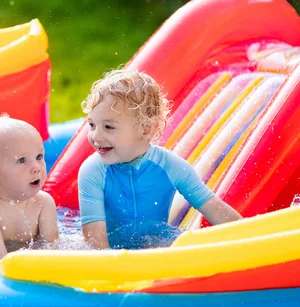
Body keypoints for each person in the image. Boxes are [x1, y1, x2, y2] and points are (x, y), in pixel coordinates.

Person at [78, 69, 242, 250]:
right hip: (111, 256)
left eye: (108, 127)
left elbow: (215, 209)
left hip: (154, 250)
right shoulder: (93, 171)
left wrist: (249, 239)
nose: (96, 136)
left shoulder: (171, 166)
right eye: (92, 125)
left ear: (147, 129)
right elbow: (95, 241)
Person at [0, 116, 59, 263]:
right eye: (22, 160)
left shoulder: (44, 202)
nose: (36, 167)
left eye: (39, 156)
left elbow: (52, 251)